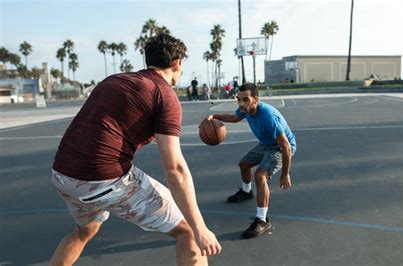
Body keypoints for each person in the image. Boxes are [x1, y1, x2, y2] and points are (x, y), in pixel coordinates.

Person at [50, 33, 221, 266]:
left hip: (62, 175)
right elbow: (176, 169)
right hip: (102, 180)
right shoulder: (164, 94)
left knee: (85, 231)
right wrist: (201, 228)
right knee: (188, 230)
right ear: (177, 63)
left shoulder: (113, 80)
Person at [207, 83, 296, 239]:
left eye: (245, 100)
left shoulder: (268, 117)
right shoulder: (245, 110)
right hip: (266, 145)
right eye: (238, 99)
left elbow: (286, 147)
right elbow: (234, 118)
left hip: (279, 148)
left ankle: (262, 220)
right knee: (244, 164)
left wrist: (285, 174)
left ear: (256, 99)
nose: (241, 103)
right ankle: (246, 192)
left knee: (260, 176)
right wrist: (215, 117)